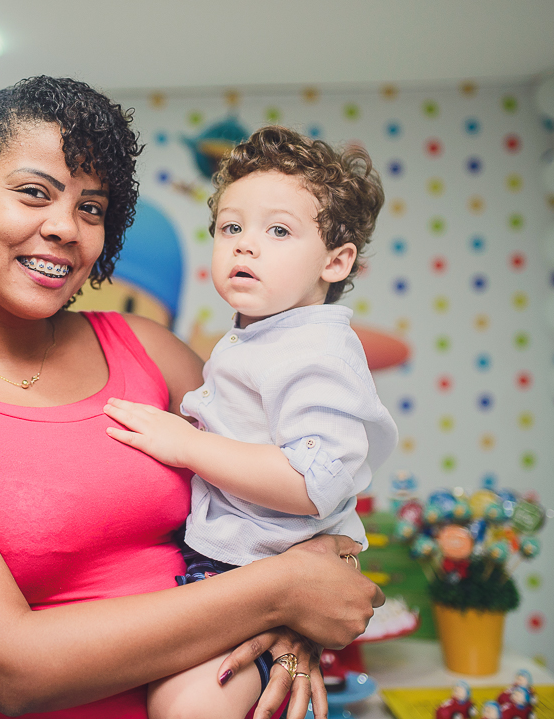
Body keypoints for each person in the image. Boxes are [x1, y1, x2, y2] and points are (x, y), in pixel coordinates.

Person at [0, 77, 383, 719]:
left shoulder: (148, 349)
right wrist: (278, 595)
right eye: (34, 193)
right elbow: (10, 669)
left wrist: (296, 622)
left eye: (91, 208)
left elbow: (308, 499)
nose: (65, 227)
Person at [103, 126, 397, 719]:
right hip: (229, 569)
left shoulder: (316, 352)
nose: (245, 247)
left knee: (186, 707)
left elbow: (313, 483)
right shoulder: (260, 337)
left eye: (278, 231)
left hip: (260, 577)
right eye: (231, 228)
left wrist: (187, 446)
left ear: (336, 261)